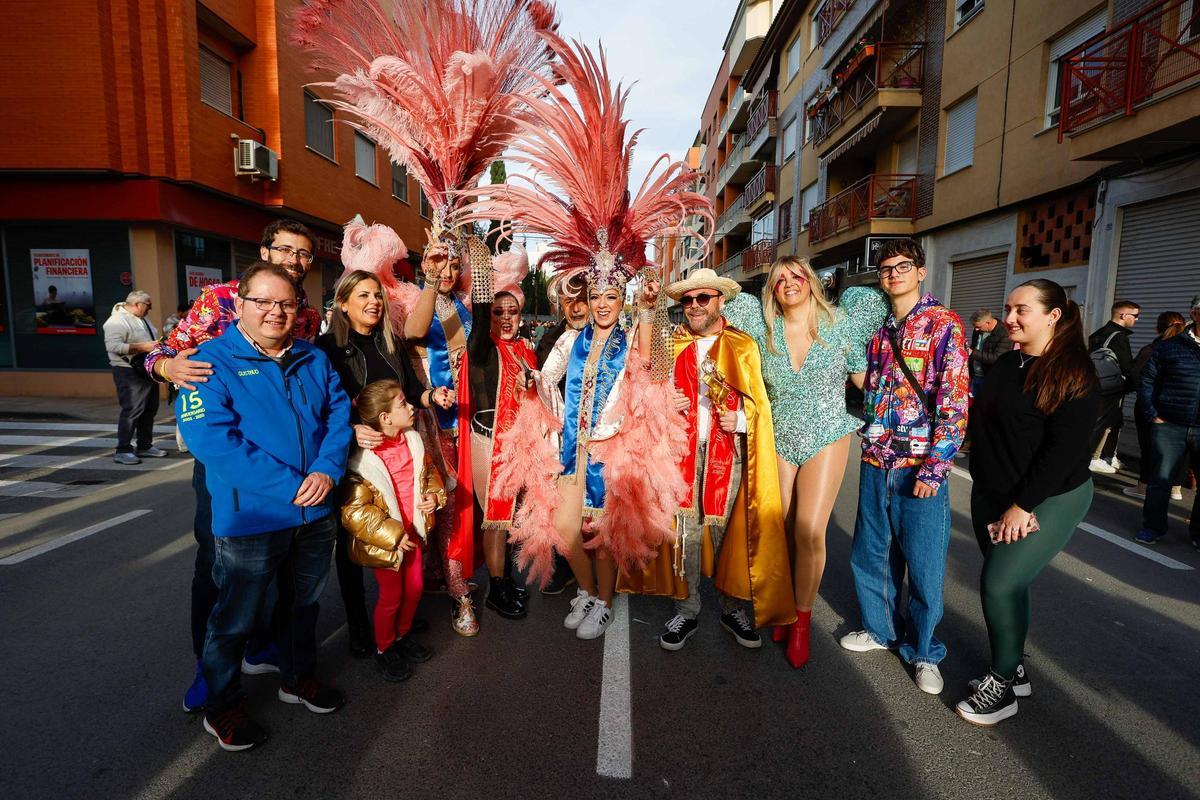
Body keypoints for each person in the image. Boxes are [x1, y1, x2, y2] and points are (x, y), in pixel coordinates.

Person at [146, 219, 323, 713]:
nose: (294, 259)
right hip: (229, 458)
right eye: (285, 249)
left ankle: (261, 644)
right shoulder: (221, 298)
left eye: (304, 254)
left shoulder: (305, 314)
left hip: (286, 461)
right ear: (264, 250)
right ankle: (209, 667)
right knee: (216, 560)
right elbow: (163, 351)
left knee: (277, 559)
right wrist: (166, 366)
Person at [177, 262, 352, 752]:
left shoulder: (312, 358)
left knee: (303, 606)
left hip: (314, 514)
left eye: (287, 303)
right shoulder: (209, 362)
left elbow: (339, 414)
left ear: (299, 309)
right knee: (235, 618)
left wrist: (327, 469)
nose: (276, 311)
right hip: (252, 518)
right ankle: (223, 706)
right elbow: (213, 443)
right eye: (264, 301)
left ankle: (297, 678)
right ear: (240, 304)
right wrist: (293, 486)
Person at [722, 256, 887, 668]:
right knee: (779, 527)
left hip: (828, 434)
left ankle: (800, 620)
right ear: (772, 290)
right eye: (779, 279)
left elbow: (866, 383)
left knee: (810, 530)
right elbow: (720, 305)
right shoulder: (762, 329)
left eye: (796, 275)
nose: (788, 283)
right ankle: (783, 603)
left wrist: (907, 420)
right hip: (778, 437)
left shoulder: (842, 323)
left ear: (811, 281)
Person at [621, 268, 792, 653]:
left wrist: (744, 419)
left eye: (703, 298)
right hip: (680, 453)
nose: (694, 306)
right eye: (688, 300)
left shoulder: (742, 346)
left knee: (726, 533)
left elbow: (764, 404)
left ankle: (733, 608)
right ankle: (688, 608)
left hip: (726, 455)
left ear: (720, 301)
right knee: (686, 533)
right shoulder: (673, 343)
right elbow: (643, 383)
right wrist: (665, 402)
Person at [953, 279, 1099, 725]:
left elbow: (1064, 454)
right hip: (992, 492)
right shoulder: (1006, 363)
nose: (1010, 318)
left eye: (1022, 311)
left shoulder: (1075, 373)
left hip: (1049, 496)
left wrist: (1023, 507)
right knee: (1010, 583)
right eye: (1008, 309)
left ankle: (1001, 686)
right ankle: (1014, 667)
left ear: (1054, 315)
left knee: (998, 583)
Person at [317, 222, 455, 656]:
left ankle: (398, 625)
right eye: (364, 296)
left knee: (402, 534)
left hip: (397, 456)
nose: (374, 302)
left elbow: (410, 393)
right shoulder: (326, 350)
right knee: (357, 547)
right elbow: (315, 409)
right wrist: (347, 430)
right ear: (342, 304)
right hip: (351, 461)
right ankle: (365, 631)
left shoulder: (389, 342)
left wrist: (433, 395)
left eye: (377, 296)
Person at [841, 238, 970, 696]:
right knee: (872, 552)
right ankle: (879, 631)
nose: (893, 274)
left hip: (919, 465)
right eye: (885, 269)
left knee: (924, 561)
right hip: (877, 456)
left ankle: (924, 650)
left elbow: (954, 403)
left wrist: (935, 470)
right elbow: (871, 387)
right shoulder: (878, 328)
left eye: (902, 266)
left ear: (920, 271)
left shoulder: (943, 325)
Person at [341, 379, 446, 682]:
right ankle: (384, 648)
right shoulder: (362, 461)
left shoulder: (412, 440)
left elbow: (428, 475)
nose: (411, 406)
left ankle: (401, 636)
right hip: (388, 543)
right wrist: (394, 535)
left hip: (412, 534)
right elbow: (357, 511)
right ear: (385, 418)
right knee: (391, 596)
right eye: (403, 403)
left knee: (414, 590)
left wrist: (433, 496)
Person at [402, 232, 479, 636]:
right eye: (438, 263)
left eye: (453, 265)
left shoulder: (459, 306)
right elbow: (414, 333)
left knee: (454, 508)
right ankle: (455, 591)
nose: (447, 272)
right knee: (436, 507)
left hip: (458, 420)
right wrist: (430, 281)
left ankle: (443, 577)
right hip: (426, 420)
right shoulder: (410, 297)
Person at [466, 246, 538, 619]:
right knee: (495, 519)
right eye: (498, 311)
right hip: (490, 443)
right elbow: (478, 322)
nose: (506, 318)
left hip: (519, 447)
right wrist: (482, 274)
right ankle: (496, 589)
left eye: (512, 311)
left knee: (508, 517)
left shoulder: (525, 349)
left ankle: (506, 580)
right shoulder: (481, 348)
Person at [534, 271, 589, 596]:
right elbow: (541, 381)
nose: (577, 308)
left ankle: (593, 572)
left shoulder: (607, 337)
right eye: (570, 301)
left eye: (583, 300)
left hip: (598, 435)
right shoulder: (551, 339)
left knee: (593, 507)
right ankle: (565, 564)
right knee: (558, 505)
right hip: (560, 438)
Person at [1134, 295, 1200, 549]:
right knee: (1160, 480)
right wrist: (1153, 414)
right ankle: (1152, 527)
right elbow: (1147, 380)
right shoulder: (1171, 346)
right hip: (1170, 424)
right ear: (1194, 315)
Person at [1124, 311, 1189, 501]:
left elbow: (1137, 377)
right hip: (1180, 409)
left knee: (1149, 447)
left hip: (1151, 407)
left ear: (1157, 328)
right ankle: (1175, 489)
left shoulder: (1152, 349)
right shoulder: (1191, 349)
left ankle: (1143, 487)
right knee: (1180, 450)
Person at [103, 290, 166, 465]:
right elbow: (113, 346)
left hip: (145, 369)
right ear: (138, 304)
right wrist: (143, 347)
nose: (150, 308)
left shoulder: (142, 318)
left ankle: (144, 445)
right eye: (148, 305)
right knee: (132, 410)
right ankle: (123, 449)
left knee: (149, 409)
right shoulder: (116, 321)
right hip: (128, 371)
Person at [1087, 300, 1139, 474]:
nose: (1137, 320)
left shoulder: (1098, 333)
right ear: (1123, 315)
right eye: (1135, 315)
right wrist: (1135, 384)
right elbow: (1127, 365)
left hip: (1097, 384)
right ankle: (1093, 457)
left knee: (1113, 420)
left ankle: (1108, 455)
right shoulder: (1117, 336)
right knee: (1104, 421)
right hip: (1110, 387)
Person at [968, 309, 1011, 397]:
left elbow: (997, 358)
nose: (976, 329)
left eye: (978, 327)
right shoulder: (977, 330)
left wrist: (972, 353)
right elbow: (974, 346)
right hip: (975, 376)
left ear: (988, 323)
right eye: (975, 326)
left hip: (989, 378)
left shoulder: (1004, 333)